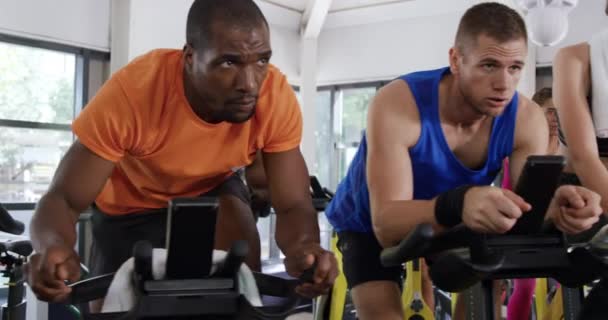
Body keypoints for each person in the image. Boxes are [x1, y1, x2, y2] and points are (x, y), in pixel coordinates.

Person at [25, 0, 338, 305]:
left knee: (238, 270)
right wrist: (51, 245)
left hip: (211, 192)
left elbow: (293, 202)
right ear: (190, 57)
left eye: (261, 61)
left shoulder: (275, 98)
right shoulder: (133, 95)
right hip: (128, 207)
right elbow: (63, 199)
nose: (250, 84)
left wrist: (304, 248)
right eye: (229, 62)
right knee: (114, 309)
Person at [324, 3, 603, 320]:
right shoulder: (398, 105)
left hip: (458, 217)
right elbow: (387, 226)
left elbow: (525, 212)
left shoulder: (526, 118)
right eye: (489, 65)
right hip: (369, 223)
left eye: (515, 68)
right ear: (456, 60)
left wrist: (557, 208)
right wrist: (459, 203)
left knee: (482, 296)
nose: (504, 84)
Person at [504, 87, 560, 320]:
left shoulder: (567, 145)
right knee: (525, 288)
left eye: (559, 112)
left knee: (563, 287)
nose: (555, 118)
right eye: (549, 112)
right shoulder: (522, 142)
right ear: (537, 112)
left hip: (551, 224)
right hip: (517, 223)